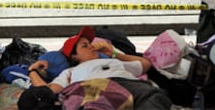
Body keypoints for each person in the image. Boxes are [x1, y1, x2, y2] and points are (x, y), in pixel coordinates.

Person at [25, 26, 172, 110]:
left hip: (127, 84)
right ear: (74, 56)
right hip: (92, 88)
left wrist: (113, 53)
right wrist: (33, 70)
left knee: (155, 96)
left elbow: (145, 64)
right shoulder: (70, 72)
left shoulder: (114, 62)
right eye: (84, 46)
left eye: (90, 43)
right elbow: (46, 91)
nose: (91, 46)